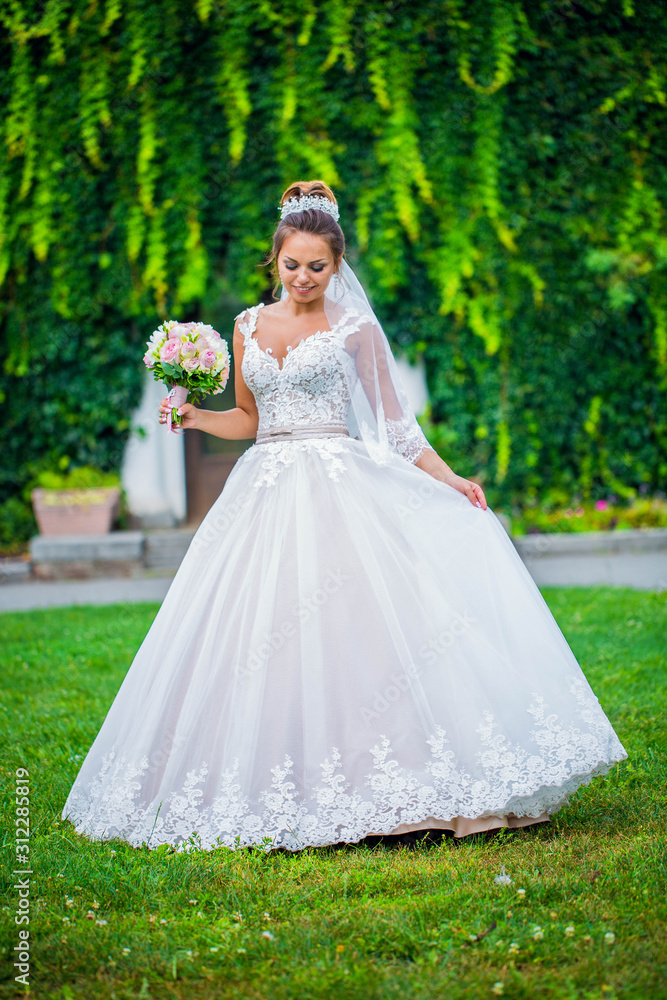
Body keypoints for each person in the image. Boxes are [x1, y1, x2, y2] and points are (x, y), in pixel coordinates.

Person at [61, 180, 627, 852]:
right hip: (265, 490)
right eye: (291, 265)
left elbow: (395, 424)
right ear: (274, 261)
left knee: (360, 629)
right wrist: (192, 415)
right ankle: (278, 780)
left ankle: (401, 782)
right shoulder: (246, 325)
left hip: (337, 486)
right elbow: (247, 417)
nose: (303, 278)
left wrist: (450, 480)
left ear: (337, 265)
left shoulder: (355, 329)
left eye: (317, 267)